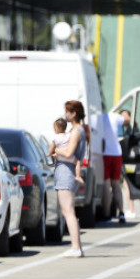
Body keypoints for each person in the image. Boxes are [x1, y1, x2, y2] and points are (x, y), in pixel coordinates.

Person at [49, 100, 87, 258]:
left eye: (67, 112)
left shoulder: (76, 131)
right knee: (69, 210)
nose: (65, 115)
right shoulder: (78, 130)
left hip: (67, 172)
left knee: (68, 210)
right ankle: (76, 246)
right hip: (68, 171)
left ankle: (75, 247)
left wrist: (54, 149)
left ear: (74, 113)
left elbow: (70, 152)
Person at [118, 110, 140, 218]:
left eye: (123, 116)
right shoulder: (127, 129)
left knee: (128, 185)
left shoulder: (132, 130)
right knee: (132, 185)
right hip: (132, 161)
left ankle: (132, 210)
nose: (121, 119)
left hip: (132, 161)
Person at [101, 111, 126, 223]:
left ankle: (107, 215)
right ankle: (121, 212)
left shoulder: (98, 118)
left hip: (104, 153)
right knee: (116, 184)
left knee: (106, 184)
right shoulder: (115, 116)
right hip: (116, 153)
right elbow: (126, 119)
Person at [49, 117, 82, 186]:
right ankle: (78, 176)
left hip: (60, 157)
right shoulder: (68, 135)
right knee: (78, 162)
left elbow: (52, 148)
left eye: (54, 128)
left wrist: (51, 154)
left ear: (57, 128)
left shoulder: (55, 137)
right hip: (69, 157)